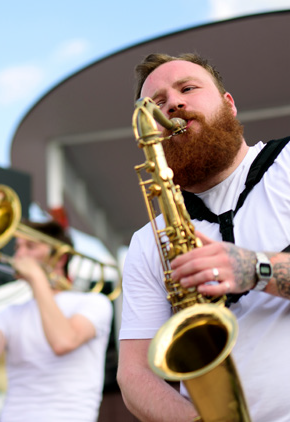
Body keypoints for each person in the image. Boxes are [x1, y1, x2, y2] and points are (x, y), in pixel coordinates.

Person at [117, 53, 290, 422]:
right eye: (157, 103)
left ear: (228, 103)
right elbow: (134, 374)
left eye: (188, 88)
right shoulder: (148, 240)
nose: (174, 104)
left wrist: (256, 269)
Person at [0, 219, 113, 422]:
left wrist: (37, 278)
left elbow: (63, 341)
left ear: (60, 257)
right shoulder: (10, 314)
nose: (19, 254)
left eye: (30, 247)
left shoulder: (94, 303)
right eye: (18, 247)